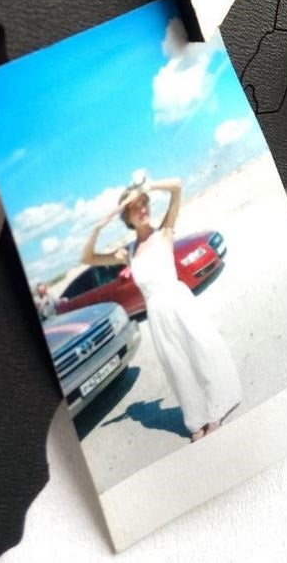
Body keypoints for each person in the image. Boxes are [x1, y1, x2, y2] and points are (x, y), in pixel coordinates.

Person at [83, 173, 242, 441]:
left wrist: (146, 187)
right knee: (178, 367)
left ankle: (215, 412)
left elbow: (177, 187)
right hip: (157, 314)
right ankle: (196, 421)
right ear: (127, 218)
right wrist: (99, 227)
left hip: (179, 301)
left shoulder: (165, 232)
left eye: (143, 203)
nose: (142, 209)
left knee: (202, 353)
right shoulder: (127, 253)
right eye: (134, 208)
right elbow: (87, 257)